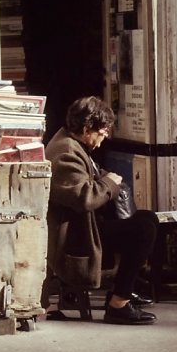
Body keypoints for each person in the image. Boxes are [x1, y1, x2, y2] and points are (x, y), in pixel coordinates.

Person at [45, 96, 159, 325]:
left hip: (87, 227)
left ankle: (121, 291)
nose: (105, 136)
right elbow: (84, 197)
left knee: (146, 220)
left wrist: (107, 180)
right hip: (76, 237)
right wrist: (110, 184)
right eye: (103, 130)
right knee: (143, 228)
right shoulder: (65, 151)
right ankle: (118, 303)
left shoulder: (73, 144)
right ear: (87, 129)